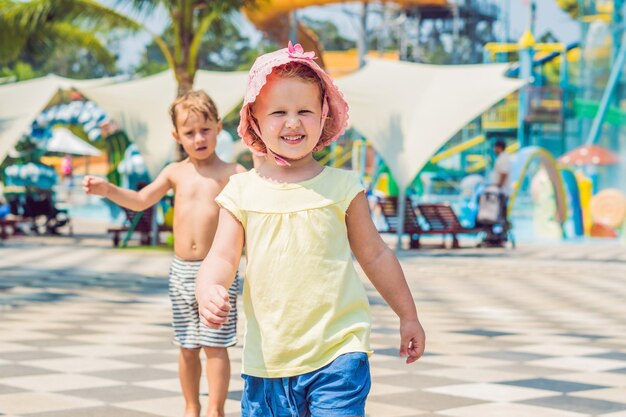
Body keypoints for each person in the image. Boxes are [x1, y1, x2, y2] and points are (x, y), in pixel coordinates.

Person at [195, 42, 426, 417]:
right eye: (278, 112)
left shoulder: (343, 187)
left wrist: (408, 315)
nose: (292, 122)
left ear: (323, 115)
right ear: (253, 118)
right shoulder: (241, 191)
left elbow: (375, 254)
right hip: (269, 360)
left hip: (339, 352)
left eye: (305, 110)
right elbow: (221, 256)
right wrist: (209, 288)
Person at [83, 90, 245, 417]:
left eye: (205, 129)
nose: (198, 138)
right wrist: (108, 189)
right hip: (182, 271)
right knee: (187, 346)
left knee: (215, 346)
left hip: (219, 273)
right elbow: (142, 199)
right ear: (177, 136)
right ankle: (191, 407)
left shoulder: (234, 173)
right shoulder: (175, 172)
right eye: (189, 133)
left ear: (218, 126)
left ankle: (215, 409)